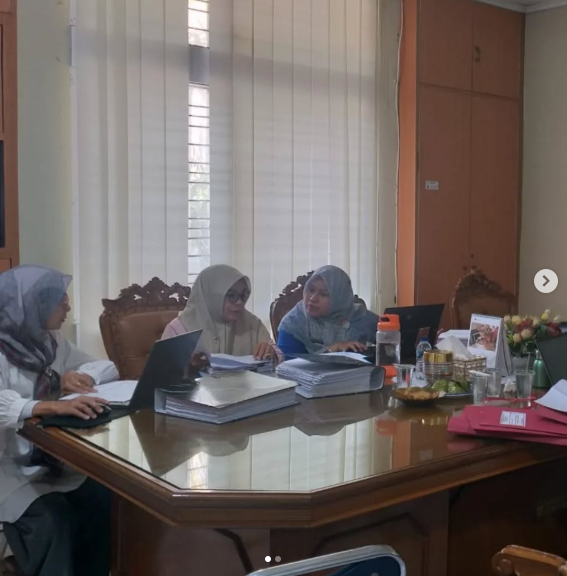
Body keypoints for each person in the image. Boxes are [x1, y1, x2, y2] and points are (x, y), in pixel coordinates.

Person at [0, 265, 119, 576]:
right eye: (59, 300)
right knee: (54, 522)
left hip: (50, 461)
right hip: (8, 469)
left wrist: (76, 376)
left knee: (101, 498)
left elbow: (106, 367)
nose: (67, 306)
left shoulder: (50, 341)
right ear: (32, 305)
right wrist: (48, 406)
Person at [162, 264, 281, 362]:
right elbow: (162, 373)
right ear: (211, 297)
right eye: (231, 296)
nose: (239, 302)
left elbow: (278, 355)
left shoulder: (252, 323)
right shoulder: (179, 329)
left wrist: (271, 351)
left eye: (243, 295)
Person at [277, 265, 378, 356]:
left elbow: (386, 340)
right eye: (311, 290)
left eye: (323, 294)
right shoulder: (294, 322)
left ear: (339, 298)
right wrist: (329, 350)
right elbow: (286, 364)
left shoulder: (357, 315)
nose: (313, 298)